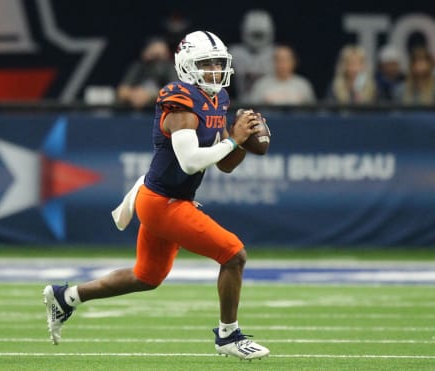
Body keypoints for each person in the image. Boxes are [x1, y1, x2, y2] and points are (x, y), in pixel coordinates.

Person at [43, 30, 270, 360]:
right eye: (207, 65)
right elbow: (191, 162)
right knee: (234, 255)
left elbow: (224, 165)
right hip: (163, 202)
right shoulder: (180, 102)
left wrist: (244, 141)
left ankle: (67, 297)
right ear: (187, 66)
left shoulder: (217, 98)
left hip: (167, 199)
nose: (215, 71)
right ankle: (228, 336)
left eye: (218, 64)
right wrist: (233, 140)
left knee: (146, 276)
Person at [117, 38, 178, 110]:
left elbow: (174, 92)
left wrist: (149, 96)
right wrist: (133, 95)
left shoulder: (170, 68)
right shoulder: (138, 66)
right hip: (133, 112)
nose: (156, 60)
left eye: (159, 56)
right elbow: (121, 91)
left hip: (160, 112)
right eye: (153, 54)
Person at [230, 9, 276, 102]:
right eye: (255, 35)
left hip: (268, 104)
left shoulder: (276, 53)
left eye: (260, 35)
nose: (257, 39)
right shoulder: (234, 53)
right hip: (241, 102)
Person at [249, 45, 316, 105]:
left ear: (294, 62)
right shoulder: (261, 84)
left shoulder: (303, 85)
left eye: (286, 60)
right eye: (278, 60)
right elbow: (252, 110)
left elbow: (313, 112)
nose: (282, 64)